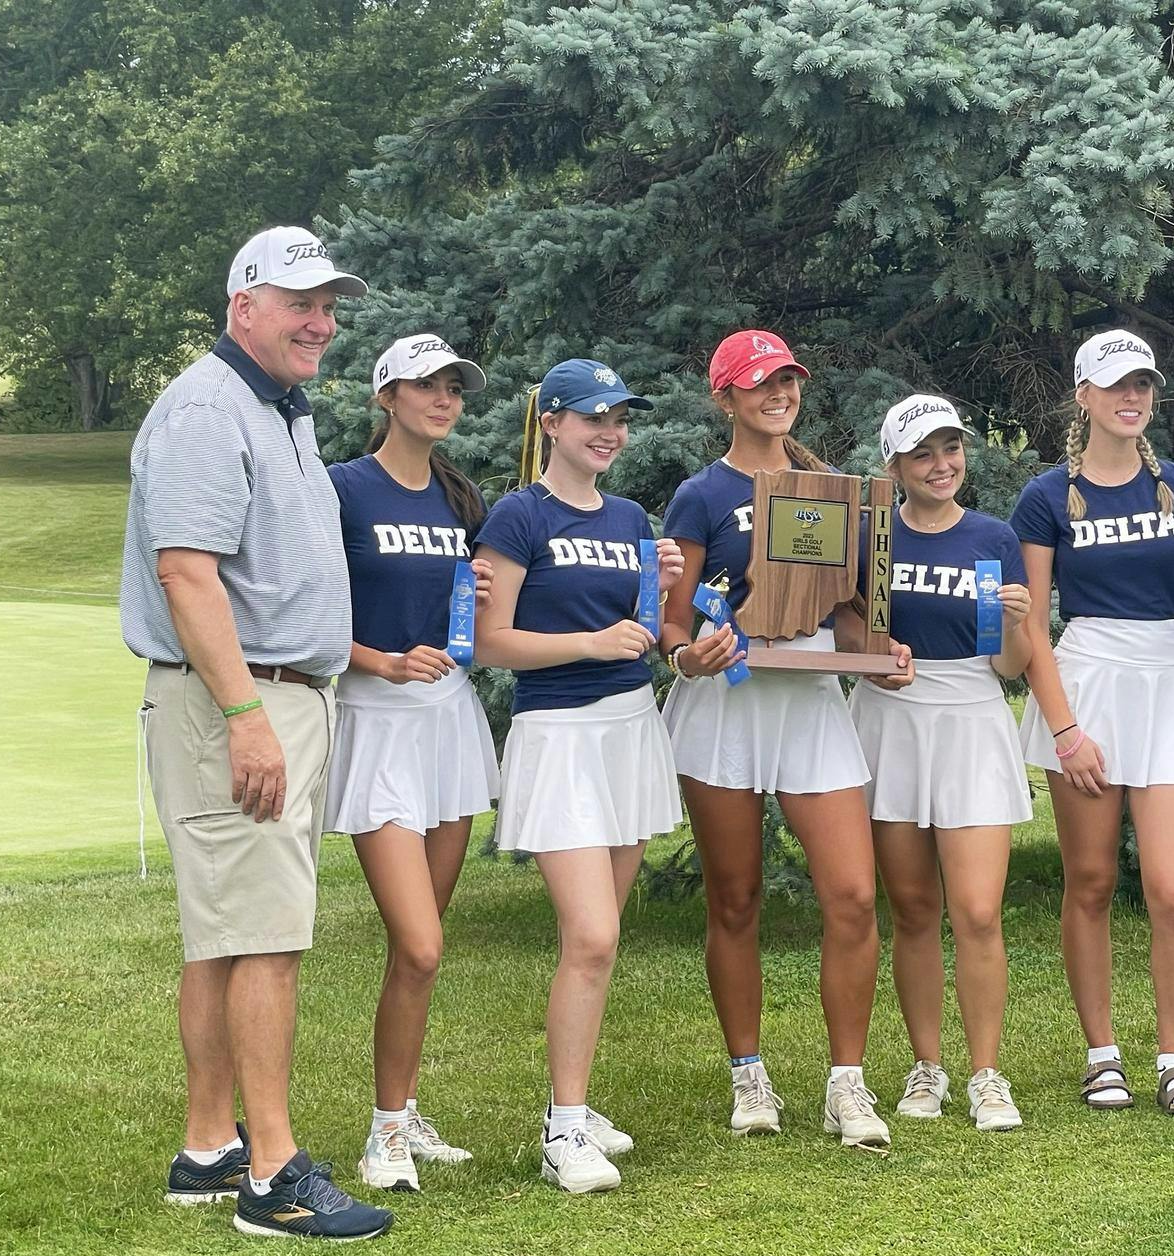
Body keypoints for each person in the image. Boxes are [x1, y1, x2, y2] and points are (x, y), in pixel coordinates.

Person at [120, 225, 391, 1240]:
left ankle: (208, 1149)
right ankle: (273, 1177)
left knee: (227, 934)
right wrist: (245, 717)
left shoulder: (278, 407)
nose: (319, 321)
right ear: (244, 308)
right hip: (239, 697)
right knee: (267, 936)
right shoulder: (207, 407)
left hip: (274, 694)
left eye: (327, 304)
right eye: (297, 303)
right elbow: (185, 571)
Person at [656, 329, 913, 1150]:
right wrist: (688, 653)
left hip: (809, 702)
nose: (780, 393)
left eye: (790, 380)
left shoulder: (830, 490)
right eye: (762, 382)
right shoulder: (700, 494)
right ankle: (749, 1075)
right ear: (725, 397)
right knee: (734, 900)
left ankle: (847, 1084)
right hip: (726, 705)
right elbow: (672, 618)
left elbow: (849, 610)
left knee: (853, 896)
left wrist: (881, 654)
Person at [1012, 332, 1174, 1117]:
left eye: (1142, 384)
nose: (1131, 397)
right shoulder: (1046, 497)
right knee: (1091, 880)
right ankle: (1102, 1054)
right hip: (1086, 681)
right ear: (1083, 395)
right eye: (1115, 385)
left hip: (1168, 681)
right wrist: (1064, 729)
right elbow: (1035, 626)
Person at [472, 358, 685, 1193]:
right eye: (593, 417)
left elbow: (643, 630)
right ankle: (563, 1129)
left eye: (620, 418)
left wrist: (657, 594)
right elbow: (490, 643)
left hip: (630, 730)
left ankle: (578, 1102)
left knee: (596, 941)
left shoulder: (632, 515)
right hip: (558, 733)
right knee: (592, 937)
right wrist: (592, 645)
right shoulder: (518, 516)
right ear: (551, 424)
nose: (610, 432)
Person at [323, 332, 498, 1192]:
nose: (443, 400)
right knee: (420, 944)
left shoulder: (462, 500)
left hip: (449, 723)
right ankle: (382, 1138)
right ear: (385, 397)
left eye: (454, 389)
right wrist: (381, 660)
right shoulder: (342, 490)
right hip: (376, 719)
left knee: (418, 947)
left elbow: (480, 617)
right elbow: (305, 612)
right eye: (425, 386)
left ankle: (401, 1111)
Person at [850, 395, 1034, 1131]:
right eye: (923, 453)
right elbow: (848, 633)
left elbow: (1011, 666)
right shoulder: (872, 537)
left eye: (951, 448)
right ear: (893, 465)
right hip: (892, 721)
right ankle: (927, 1068)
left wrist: (1019, 624)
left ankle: (988, 1073)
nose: (941, 465)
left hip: (972, 717)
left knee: (980, 912)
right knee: (915, 910)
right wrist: (872, 660)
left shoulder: (993, 538)